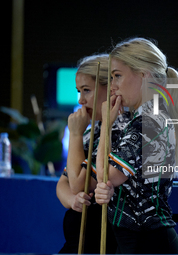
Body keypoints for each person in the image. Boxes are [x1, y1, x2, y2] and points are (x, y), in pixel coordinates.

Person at [94, 38, 178, 254]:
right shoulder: (141, 119)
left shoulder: (149, 122)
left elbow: (106, 176)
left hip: (149, 244)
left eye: (117, 76)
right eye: (111, 78)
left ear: (143, 74)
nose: (113, 85)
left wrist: (106, 126)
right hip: (134, 242)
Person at [56, 54, 124, 254]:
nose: (80, 99)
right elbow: (63, 183)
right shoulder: (91, 130)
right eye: (79, 91)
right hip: (77, 242)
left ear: (110, 88)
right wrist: (72, 201)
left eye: (87, 90)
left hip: (102, 242)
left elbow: (78, 184)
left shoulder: (119, 130)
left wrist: (75, 134)